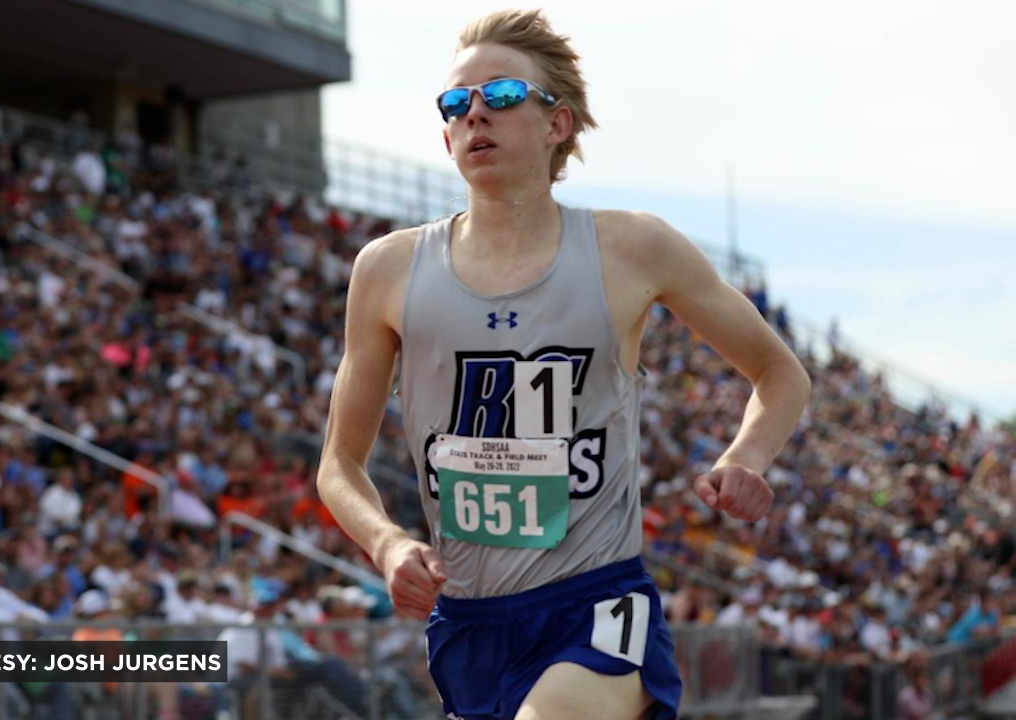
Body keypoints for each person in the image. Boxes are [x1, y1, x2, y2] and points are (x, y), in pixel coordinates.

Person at [317, 9, 811, 720]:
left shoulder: (632, 249)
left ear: (559, 124)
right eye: (457, 104)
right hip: (469, 626)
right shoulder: (389, 269)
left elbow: (778, 370)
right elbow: (339, 464)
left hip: (594, 604)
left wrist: (749, 455)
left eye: (503, 95)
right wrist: (388, 542)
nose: (476, 113)